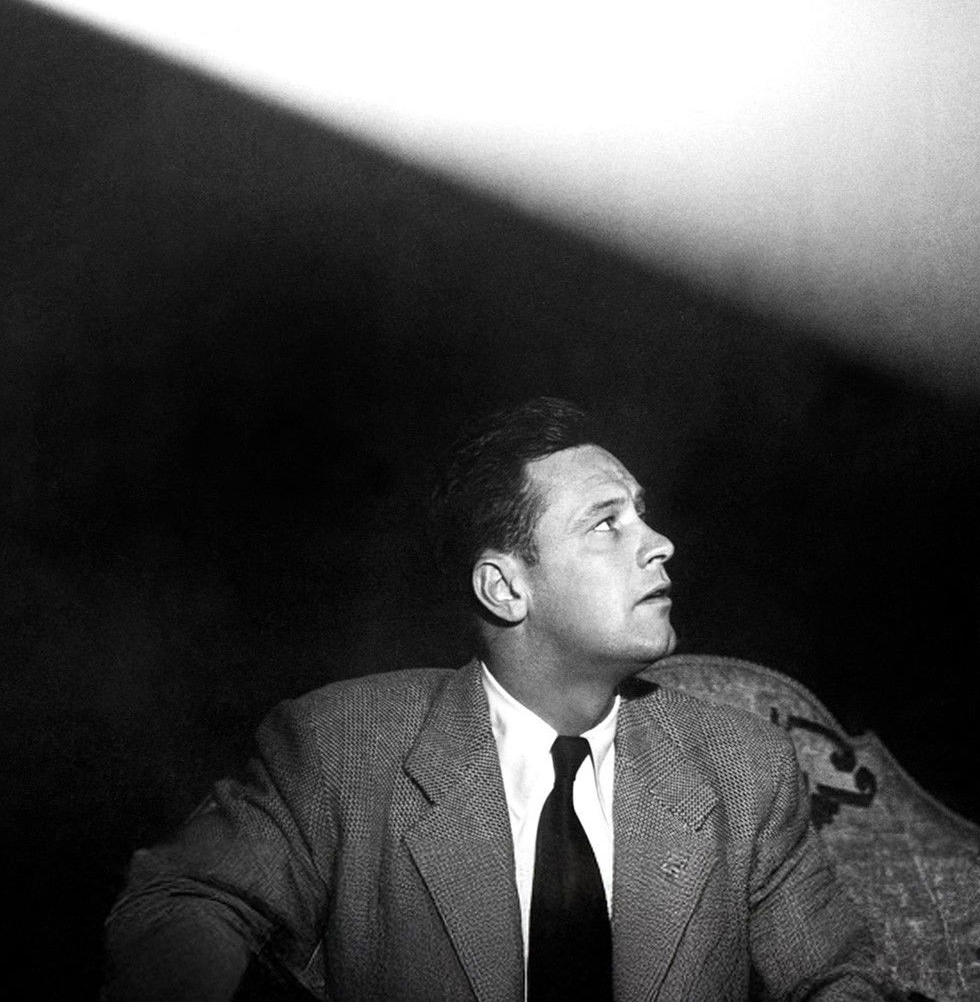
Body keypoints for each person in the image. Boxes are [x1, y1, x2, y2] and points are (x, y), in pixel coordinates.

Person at [106, 397, 890, 1002]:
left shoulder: (742, 765)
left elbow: (837, 979)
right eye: (606, 524)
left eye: (643, 515)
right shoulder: (341, 745)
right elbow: (176, 901)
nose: (659, 544)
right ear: (505, 588)